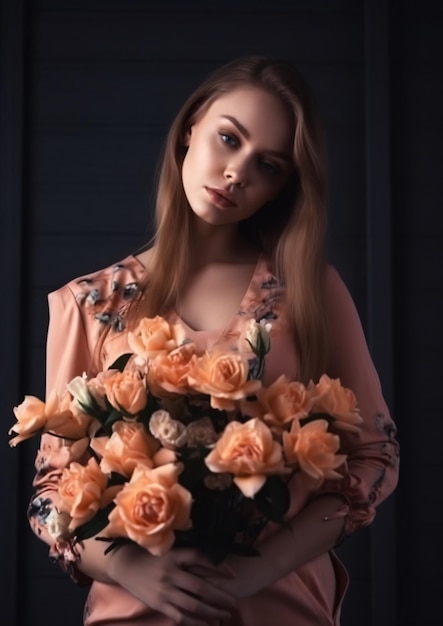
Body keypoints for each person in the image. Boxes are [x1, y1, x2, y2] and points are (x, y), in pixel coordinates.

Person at [28, 56, 399, 626]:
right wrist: (128, 568)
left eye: (268, 166)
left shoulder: (309, 291)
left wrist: (258, 567)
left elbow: (374, 460)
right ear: (190, 129)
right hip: (137, 613)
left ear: (282, 188)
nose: (236, 172)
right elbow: (51, 492)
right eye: (229, 139)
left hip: (280, 608)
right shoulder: (88, 304)